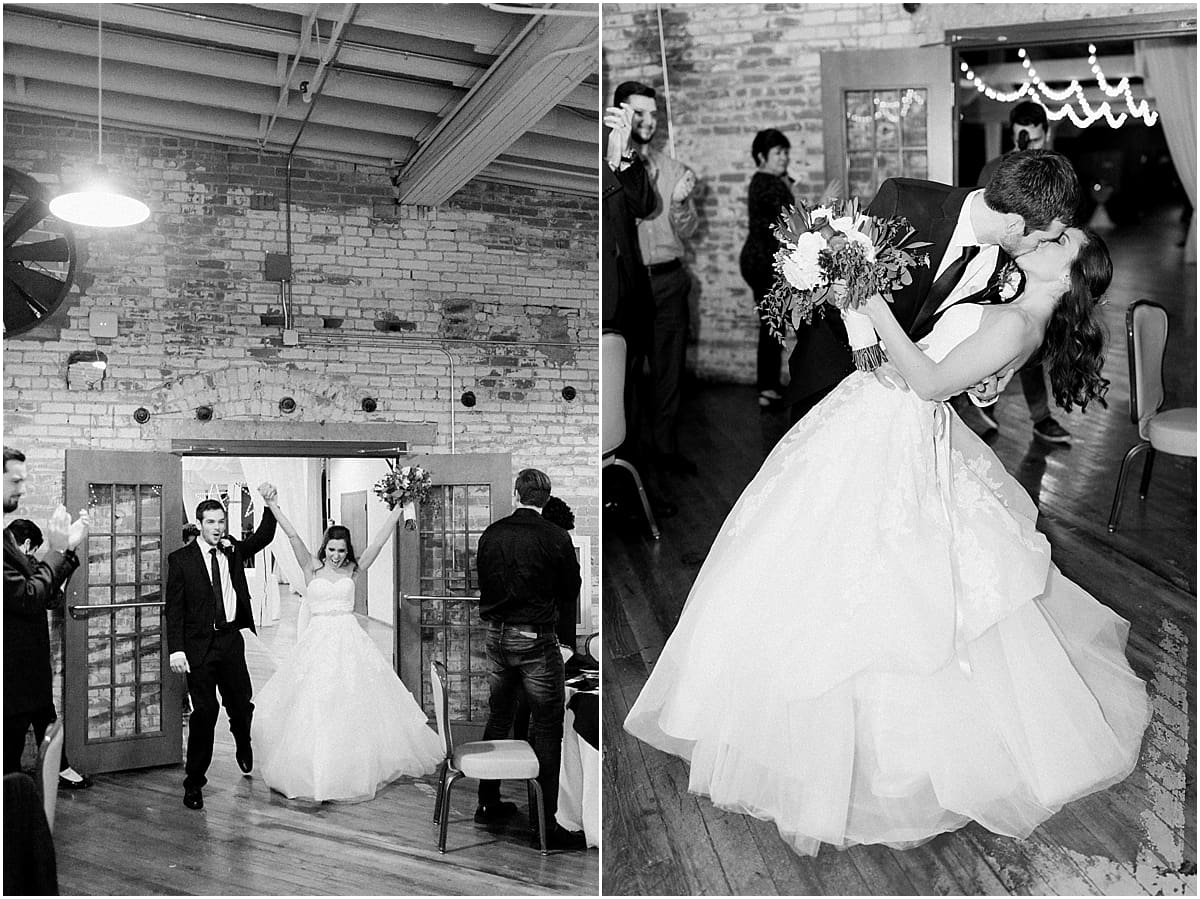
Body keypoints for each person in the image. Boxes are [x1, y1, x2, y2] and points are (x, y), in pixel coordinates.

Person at [625, 228, 1150, 857]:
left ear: (1069, 276)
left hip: (894, 423)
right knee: (848, 564)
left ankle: (854, 743)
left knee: (859, 571)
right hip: (885, 417)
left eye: (1062, 240)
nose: (1047, 236)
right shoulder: (1016, 311)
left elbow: (928, 382)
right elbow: (957, 372)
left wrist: (871, 300)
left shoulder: (1018, 322)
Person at [783, 149, 1082, 424]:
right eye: (1042, 240)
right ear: (1015, 224)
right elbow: (842, 277)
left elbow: (976, 344)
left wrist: (982, 381)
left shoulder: (1014, 267)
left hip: (902, 410)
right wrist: (869, 355)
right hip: (830, 378)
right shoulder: (905, 203)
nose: (1041, 247)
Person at [250, 495, 442, 802]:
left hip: (349, 640)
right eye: (331, 549)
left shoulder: (354, 568)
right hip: (317, 641)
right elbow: (292, 534)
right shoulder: (311, 567)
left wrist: (398, 509)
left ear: (347, 551)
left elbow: (378, 543)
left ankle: (349, 765)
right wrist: (273, 504)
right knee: (316, 701)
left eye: (341, 550)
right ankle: (314, 769)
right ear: (324, 548)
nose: (336, 556)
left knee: (351, 701)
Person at [475, 469, 586, 851]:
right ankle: (545, 825)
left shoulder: (492, 534)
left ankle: (487, 803)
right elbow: (571, 589)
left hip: (495, 636)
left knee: (499, 716)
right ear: (546, 497)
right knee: (547, 729)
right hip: (535, 640)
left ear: (516, 494)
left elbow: (484, 582)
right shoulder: (555, 537)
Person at [165, 487, 278, 810]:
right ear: (199, 524)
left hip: (230, 642)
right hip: (198, 647)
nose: (217, 527)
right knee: (204, 713)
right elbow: (174, 609)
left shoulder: (232, 550)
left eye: (221, 522)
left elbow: (264, 536)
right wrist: (177, 650)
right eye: (211, 522)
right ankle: (194, 783)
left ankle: (243, 740)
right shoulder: (181, 560)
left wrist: (269, 504)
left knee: (241, 706)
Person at [971, 101, 1072, 444]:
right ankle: (983, 401)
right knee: (995, 339)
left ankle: (1040, 417)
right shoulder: (994, 169)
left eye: (1036, 140)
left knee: (1034, 344)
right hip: (999, 269)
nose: (1029, 145)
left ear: (1047, 134)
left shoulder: (1054, 170)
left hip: (1039, 269)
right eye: (1022, 139)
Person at [619, 80, 700, 475]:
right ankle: (627, 457)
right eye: (640, 113)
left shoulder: (675, 170)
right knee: (626, 376)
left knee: (669, 373)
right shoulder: (610, 167)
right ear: (621, 114)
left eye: (653, 114)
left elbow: (688, 230)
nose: (648, 121)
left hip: (669, 282)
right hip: (629, 285)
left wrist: (681, 203)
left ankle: (665, 451)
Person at [3, 447, 89, 776]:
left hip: (25, 675)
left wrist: (67, 549)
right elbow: (28, 596)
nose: (23, 489)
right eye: (15, 480)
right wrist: (58, 549)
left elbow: (43, 593)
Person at [739, 128, 796, 409]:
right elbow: (789, 223)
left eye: (786, 152)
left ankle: (768, 386)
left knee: (772, 323)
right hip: (763, 263)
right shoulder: (769, 183)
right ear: (761, 156)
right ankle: (767, 388)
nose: (784, 157)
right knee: (772, 323)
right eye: (778, 153)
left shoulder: (765, 181)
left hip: (759, 260)